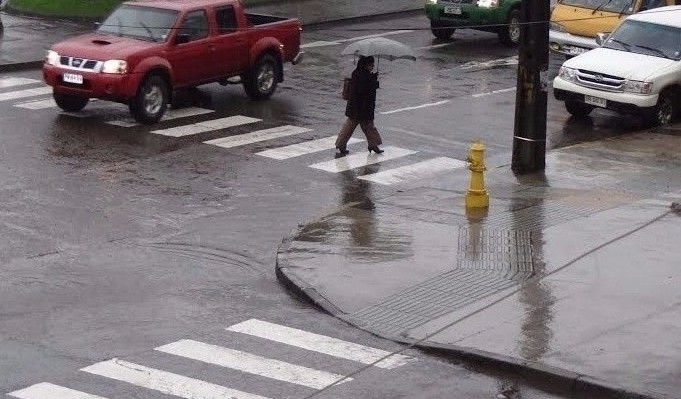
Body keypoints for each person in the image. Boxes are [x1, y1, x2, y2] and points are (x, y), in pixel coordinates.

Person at [335, 55, 384, 155]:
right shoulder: (364, 76)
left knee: (351, 127)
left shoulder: (357, 73)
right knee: (368, 127)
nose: (372, 67)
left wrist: (372, 77)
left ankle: (341, 144)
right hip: (363, 108)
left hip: (355, 107)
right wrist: (374, 80)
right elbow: (365, 90)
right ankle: (373, 145)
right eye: (371, 65)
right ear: (366, 65)